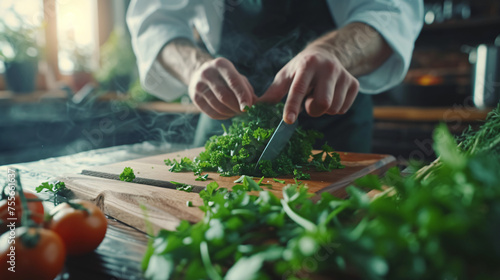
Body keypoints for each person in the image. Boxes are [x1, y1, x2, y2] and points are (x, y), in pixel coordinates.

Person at [127, 0, 423, 152]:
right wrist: (194, 67)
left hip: (332, 112)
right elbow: (154, 19)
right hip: (224, 116)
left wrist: (335, 52)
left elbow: (393, 10)